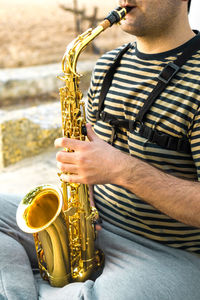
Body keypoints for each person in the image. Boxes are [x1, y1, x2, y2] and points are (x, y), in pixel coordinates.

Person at [1, 0, 200, 299]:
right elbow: (85, 155)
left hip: (164, 252)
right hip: (95, 226)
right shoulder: (109, 64)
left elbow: (114, 165)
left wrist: (122, 169)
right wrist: (84, 202)